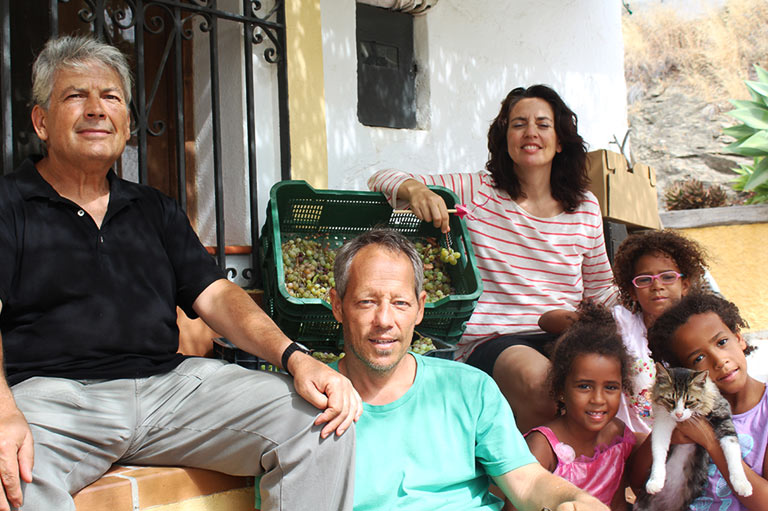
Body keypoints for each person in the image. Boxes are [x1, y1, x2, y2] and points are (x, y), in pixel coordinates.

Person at [0, 35, 361, 511]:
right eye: (75, 96)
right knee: (12, 474)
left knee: (318, 424)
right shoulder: (9, 204)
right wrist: (3, 411)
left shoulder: (154, 208)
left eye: (110, 97)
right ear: (41, 122)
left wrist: (295, 357)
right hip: (55, 399)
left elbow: (216, 296)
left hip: (170, 387)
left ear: (128, 124)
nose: (95, 109)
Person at [368, 85, 618, 432]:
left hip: (566, 334)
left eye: (543, 124)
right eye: (518, 124)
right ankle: (526, 482)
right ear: (505, 139)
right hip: (496, 342)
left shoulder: (585, 206)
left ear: (560, 141)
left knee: (609, 395)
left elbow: (601, 287)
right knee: (545, 387)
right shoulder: (476, 190)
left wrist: (644, 305)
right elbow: (380, 177)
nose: (531, 132)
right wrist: (417, 191)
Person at [326, 227, 609, 511]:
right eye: (367, 302)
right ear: (337, 306)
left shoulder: (469, 388)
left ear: (420, 308)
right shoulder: (310, 399)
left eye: (400, 303)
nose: (384, 320)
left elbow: (526, 480)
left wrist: (575, 500)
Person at [541, 229, 708, 436]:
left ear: (684, 284)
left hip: (684, 444)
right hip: (628, 444)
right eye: (645, 280)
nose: (657, 286)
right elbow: (546, 321)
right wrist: (587, 320)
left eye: (667, 277)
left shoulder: (699, 332)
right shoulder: (623, 325)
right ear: (632, 291)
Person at [635, 292, 768, 510]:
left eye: (722, 342)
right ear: (685, 371)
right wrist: (669, 433)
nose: (719, 360)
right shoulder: (686, 409)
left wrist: (710, 442)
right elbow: (637, 480)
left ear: (739, 338)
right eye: (698, 358)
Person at [526, 301, 636, 510]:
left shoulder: (617, 436)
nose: (598, 399)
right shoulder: (544, 447)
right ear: (561, 390)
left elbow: (619, 502)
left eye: (611, 387)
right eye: (585, 386)